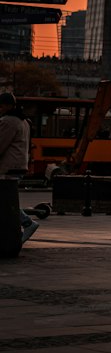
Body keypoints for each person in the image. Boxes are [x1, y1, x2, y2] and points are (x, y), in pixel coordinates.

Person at [0, 92, 37, 243]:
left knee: (5, 201)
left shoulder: (8, 121)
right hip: (18, 165)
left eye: (1, 106)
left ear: (8, 106)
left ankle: (27, 222)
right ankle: (27, 222)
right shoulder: (23, 121)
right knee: (7, 200)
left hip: (7, 167)